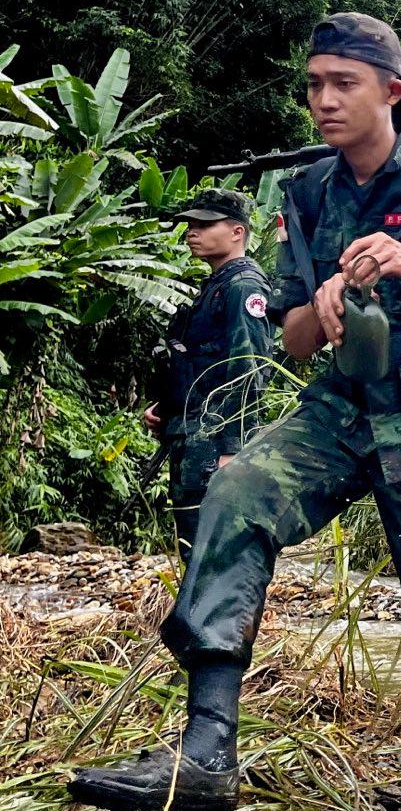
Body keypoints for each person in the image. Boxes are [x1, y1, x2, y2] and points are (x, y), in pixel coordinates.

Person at [69, 13, 401, 811]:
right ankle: (209, 745)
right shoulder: (308, 193)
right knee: (240, 488)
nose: (322, 101)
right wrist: (318, 307)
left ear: (390, 92)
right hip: (344, 408)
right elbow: (288, 336)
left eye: (343, 84)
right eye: (314, 84)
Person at [145, 189, 273, 562]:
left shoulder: (242, 287)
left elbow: (248, 369)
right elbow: (198, 365)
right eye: (190, 225)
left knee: (213, 550)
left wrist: (233, 449)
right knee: (193, 545)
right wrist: (166, 411)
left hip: (215, 441)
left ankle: (214, 621)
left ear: (237, 232)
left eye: (205, 224)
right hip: (192, 432)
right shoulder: (215, 286)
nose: (192, 232)